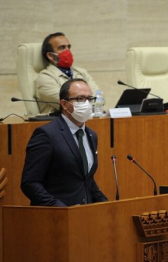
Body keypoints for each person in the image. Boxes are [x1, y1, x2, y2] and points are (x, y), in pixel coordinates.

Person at [21, 78, 107, 206]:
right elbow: (30, 183)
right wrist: (61, 209)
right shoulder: (46, 135)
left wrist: (106, 205)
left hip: (85, 216)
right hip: (55, 218)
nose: (87, 103)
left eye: (89, 99)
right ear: (64, 104)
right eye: (80, 99)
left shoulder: (91, 135)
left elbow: (85, 180)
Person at [36, 32, 100, 114]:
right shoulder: (45, 77)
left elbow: (99, 98)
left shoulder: (82, 72)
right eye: (62, 47)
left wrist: (95, 103)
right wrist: (92, 102)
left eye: (68, 47)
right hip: (59, 124)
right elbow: (70, 105)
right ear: (50, 56)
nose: (68, 51)